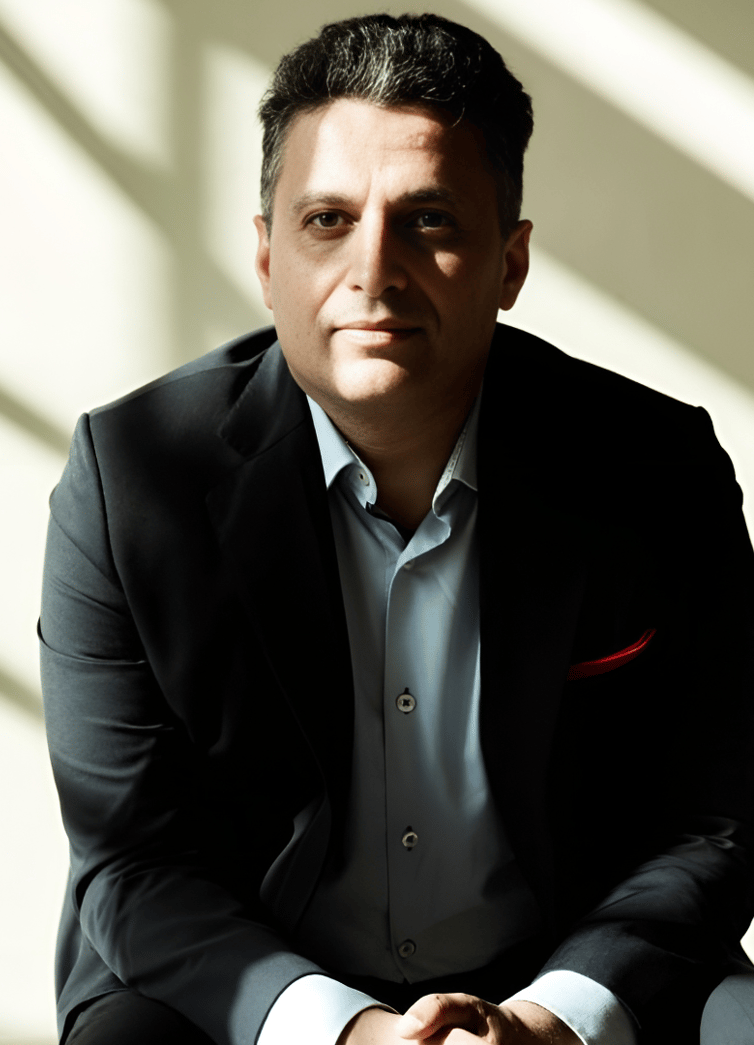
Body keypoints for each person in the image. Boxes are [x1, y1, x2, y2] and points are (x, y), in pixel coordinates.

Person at [39, 13, 754, 1045]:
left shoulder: (658, 470)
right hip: (252, 976)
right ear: (266, 257)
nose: (373, 272)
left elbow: (717, 814)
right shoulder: (131, 480)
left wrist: (553, 1017)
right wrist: (352, 1031)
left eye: (428, 220)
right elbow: (134, 859)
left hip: (566, 963)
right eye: (327, 220)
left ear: (510, 264)